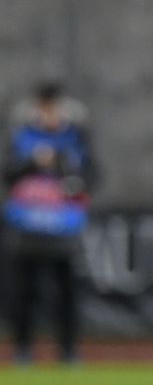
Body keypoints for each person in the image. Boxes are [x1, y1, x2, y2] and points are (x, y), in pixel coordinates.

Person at [2, 82, 96, 365]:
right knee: (24, 294)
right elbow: (8, 174)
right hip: (27, 227)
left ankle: (68, 351)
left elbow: (91, 176)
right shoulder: (22, 137)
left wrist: (66, 169)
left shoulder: (75, 137)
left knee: (66, 293)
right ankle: (22, 350)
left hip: (64, 227)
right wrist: (33, 162)